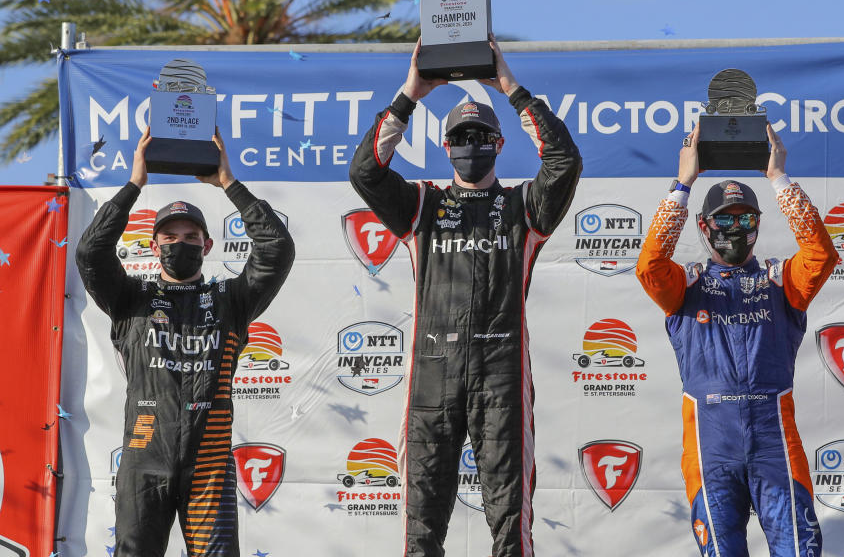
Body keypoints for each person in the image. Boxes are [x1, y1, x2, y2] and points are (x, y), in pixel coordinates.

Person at [349, 35, 582, 557]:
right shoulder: (421, 205)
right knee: (421, 522)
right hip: (433, 375)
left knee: (510, 519)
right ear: (446, 146)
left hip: (503, 375)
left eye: (480, 136)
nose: (470, 144)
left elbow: (563, 161)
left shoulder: (525, 207)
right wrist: (412, 93)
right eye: (460, 137)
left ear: (500, 144)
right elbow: (365, 171)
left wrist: (510, 88)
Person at [75, 129, 295, 557]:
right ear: (154, 245)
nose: (180, 243)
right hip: (143, 460)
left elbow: (276, 249)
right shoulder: (130, 298)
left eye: (191, 237)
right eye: (170, 237)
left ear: (208, 245)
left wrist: (229, 183)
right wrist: (135, 183)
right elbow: (90, 253)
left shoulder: (230, 300)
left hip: (208, 464)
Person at [635, 124, 838, 557]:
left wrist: (779, 179)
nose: (735, 226)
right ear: (704, 226)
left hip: (775, 442)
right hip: (711, 447)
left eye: (745, 218)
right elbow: (650, 266)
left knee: (800, 551)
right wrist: (683, 183)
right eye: (725, 218)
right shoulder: (684, 285)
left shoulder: (780, 280)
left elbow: (821, 254)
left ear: (758, 224)